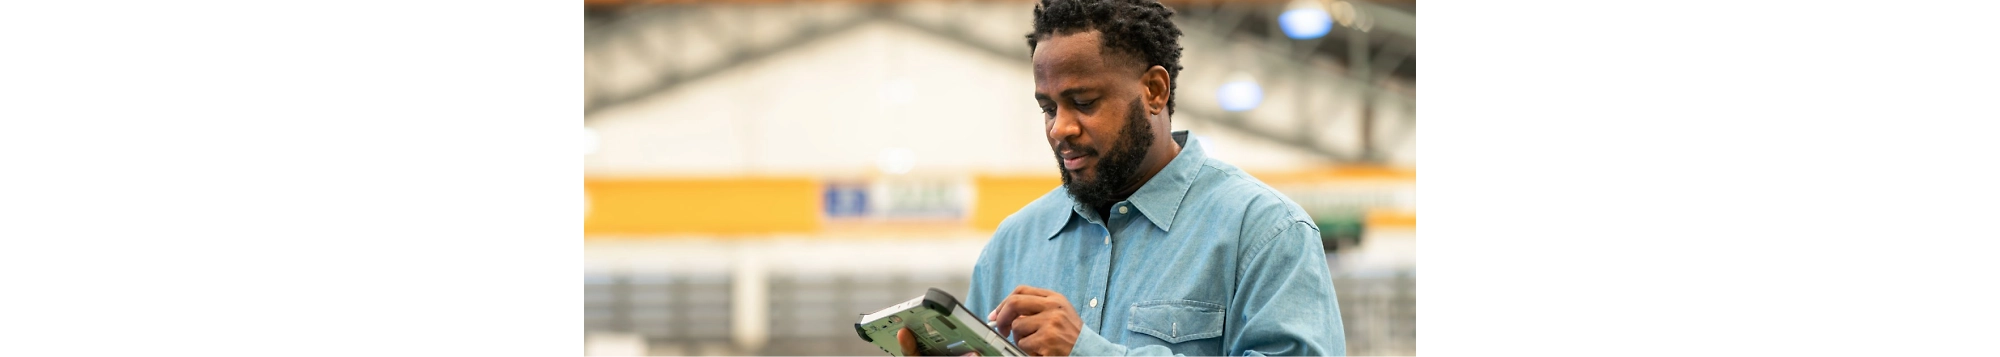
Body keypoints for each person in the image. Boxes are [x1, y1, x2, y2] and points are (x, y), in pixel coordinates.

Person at [899, 0, 1345, 355]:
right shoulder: (1012, 245)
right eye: (1049, 108)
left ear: (1154, 91)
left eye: (1085, 102)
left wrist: (1087, 352)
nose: (1060, 129)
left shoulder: (1265, 232)